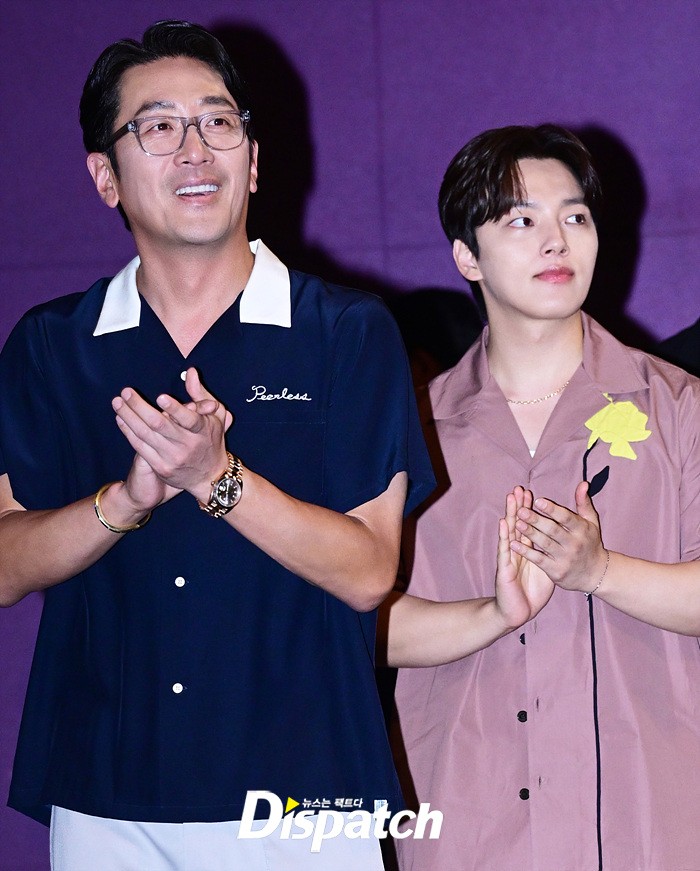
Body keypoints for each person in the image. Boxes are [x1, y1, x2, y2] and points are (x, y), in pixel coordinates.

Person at [0, 20, 441, 871]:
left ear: (254, 159)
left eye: (218, 121)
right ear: (104, 176)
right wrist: (124, 501)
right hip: (106, 793)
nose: (195, 149)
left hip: (305, 790)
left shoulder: (346, 332)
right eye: (159, 127)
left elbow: (367, 571)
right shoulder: (54, 344)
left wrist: (216, 477)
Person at [391, 125, 700, 871]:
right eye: (521, 220)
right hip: (466, 820)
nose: (556, 240)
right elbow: (361, 624)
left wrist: (601, 572)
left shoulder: (679, 407)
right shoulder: (412, 428)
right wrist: (492, 614)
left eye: (575, 216)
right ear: (467, 256)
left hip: (647, 823)